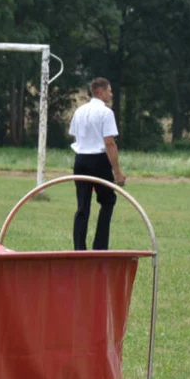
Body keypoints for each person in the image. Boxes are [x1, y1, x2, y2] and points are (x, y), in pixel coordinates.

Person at [69, 77, 126, 251]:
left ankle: (79, 248)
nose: (111, 93)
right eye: (109, 90)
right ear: (100, 92)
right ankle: (100, 246)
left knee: (82, 206)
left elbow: (74, 134)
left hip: (80, 160)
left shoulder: (80, 111)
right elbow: (109, 143)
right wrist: (117, 172)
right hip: (99, 160)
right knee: (108, 201)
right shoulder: (106, 113)